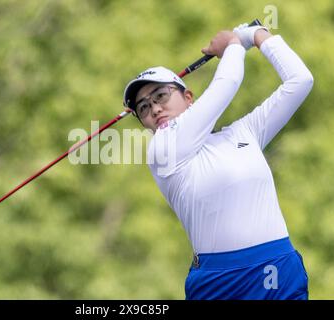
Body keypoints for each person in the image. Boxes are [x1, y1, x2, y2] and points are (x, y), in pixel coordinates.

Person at [122, 23, 314, 300]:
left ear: (189, 98)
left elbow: (300, 81)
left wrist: (256, 36)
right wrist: (234, 45)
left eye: (160, 96)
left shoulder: (243, 132)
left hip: (278, 267)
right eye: (143, 107)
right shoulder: (162, 149)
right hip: (219, 282)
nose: (154, 108)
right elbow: (228, 83)